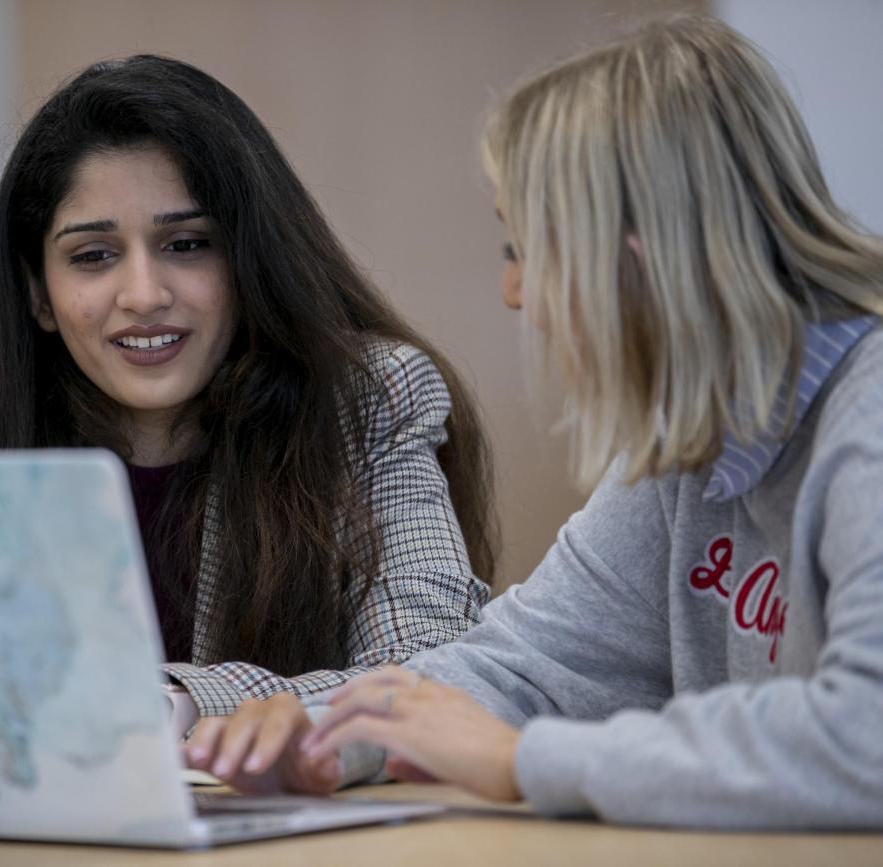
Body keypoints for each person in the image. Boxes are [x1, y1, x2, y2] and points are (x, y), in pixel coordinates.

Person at [0, 55, 497, 765]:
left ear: (249, 260)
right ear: (40, 293)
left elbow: (427, 676)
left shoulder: (370, 400)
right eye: (93, 256)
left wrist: (171, 704)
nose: (143, 295)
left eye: (187, 245)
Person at [186, 17, 883, 829]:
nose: (517, 296)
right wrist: (330, 734)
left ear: (633, 259)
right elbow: (524, 667)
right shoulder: (695, 448)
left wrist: (521, 761)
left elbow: (863, 736)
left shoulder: (866, 426)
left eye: (526, 249)